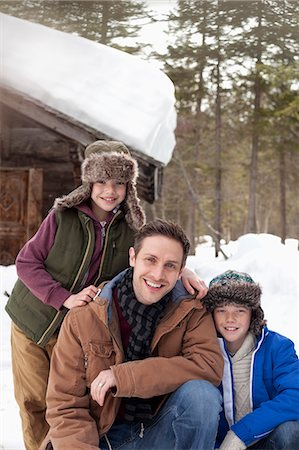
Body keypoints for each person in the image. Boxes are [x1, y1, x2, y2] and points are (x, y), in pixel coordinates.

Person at [5, 140, 207, 450]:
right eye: (101, 181)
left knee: (62, 400)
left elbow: (156, 252)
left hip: (73, 328)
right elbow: (26, 262)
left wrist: (184, 272)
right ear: (89, 181)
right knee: (34, 402)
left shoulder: (133, 227)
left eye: (118, 183)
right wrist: (63, 297)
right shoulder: (63, 216)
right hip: (33, 320)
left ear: (129, 185)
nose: (109, 191)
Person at [41, 219, 223, 450]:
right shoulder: (85, 318)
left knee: (201, 395)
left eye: (170, 265)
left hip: (160, 432)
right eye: (151, 260)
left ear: (180, 271)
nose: (158, 274)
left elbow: (208, 366)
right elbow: (65, 406)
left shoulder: (192, 310)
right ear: (133, 257)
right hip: (102, 439)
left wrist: (124, 377)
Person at [203, 270, 299, 450]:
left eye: (240, 310)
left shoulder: (277, 347)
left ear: (253, 313)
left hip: (267, 442)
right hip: (219, 446)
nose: (230, 319)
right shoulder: (203, 351)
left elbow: (295, 395)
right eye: (222, 310)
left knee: (291, 430)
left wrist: (241, 434)